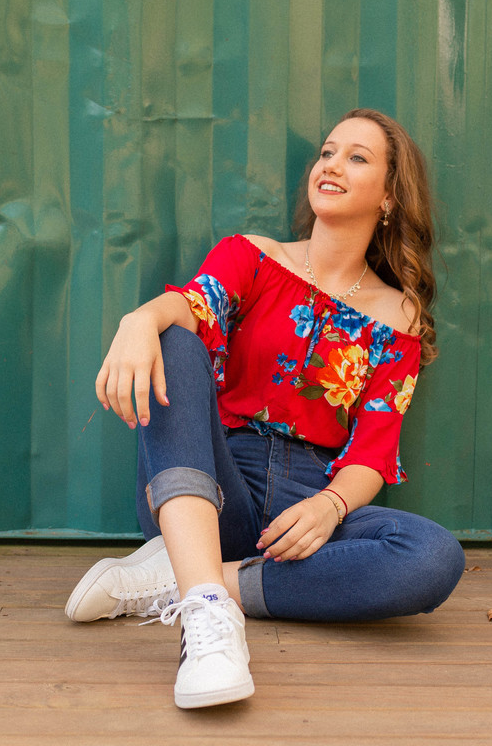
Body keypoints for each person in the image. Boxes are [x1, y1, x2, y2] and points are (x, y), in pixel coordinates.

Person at [66, 108, 465, 709]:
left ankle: (182, 578)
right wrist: (140, 319)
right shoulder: (252, 256)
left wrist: (330, 507)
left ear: (389, 196)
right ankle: (206, 611)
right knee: (176, 338)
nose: (332, 165)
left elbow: (373, 453)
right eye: (327, 152)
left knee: (433, 557)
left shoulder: (398, 315)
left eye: (357, 157)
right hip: (212, 487)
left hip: (306, 513)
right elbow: (192, 305)